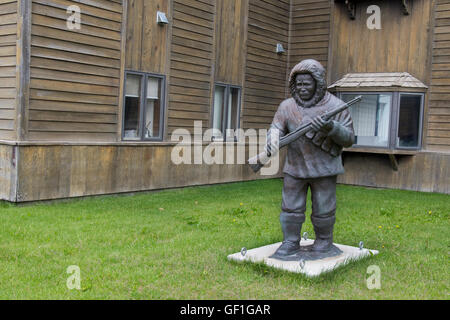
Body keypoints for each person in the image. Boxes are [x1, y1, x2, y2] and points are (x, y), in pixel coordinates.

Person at [266, 59, 355, 259]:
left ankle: (324, 242)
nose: (302, 88)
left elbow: (349, 138)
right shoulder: (287, 106)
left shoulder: (337, 106)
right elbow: (276, 128)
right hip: (295, 167)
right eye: (299, 84)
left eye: (307, 84)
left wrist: (331, 128)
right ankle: (290, 241)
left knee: (324, 208)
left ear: (318, 83)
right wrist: (272, 140)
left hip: (325, 169)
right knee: (290, 207)